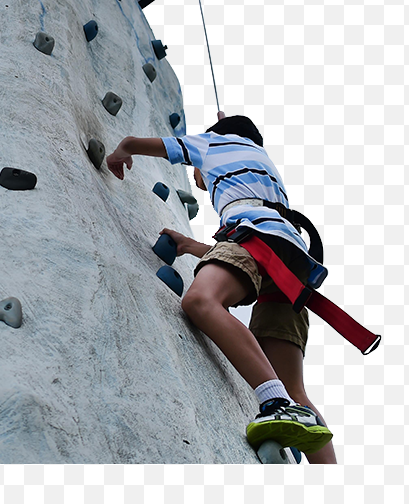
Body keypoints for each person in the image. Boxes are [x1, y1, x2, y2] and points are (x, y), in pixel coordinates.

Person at [105, 114, 336, 463]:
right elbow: (245, 258)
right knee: (296, 388)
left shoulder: (214, 143)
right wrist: (189, 246)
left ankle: (273, 402)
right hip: (290, 263)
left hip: (253, 237)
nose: (197, 178)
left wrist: (125, 148)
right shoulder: (265, 168)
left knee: (200, 300)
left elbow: (160, 147)